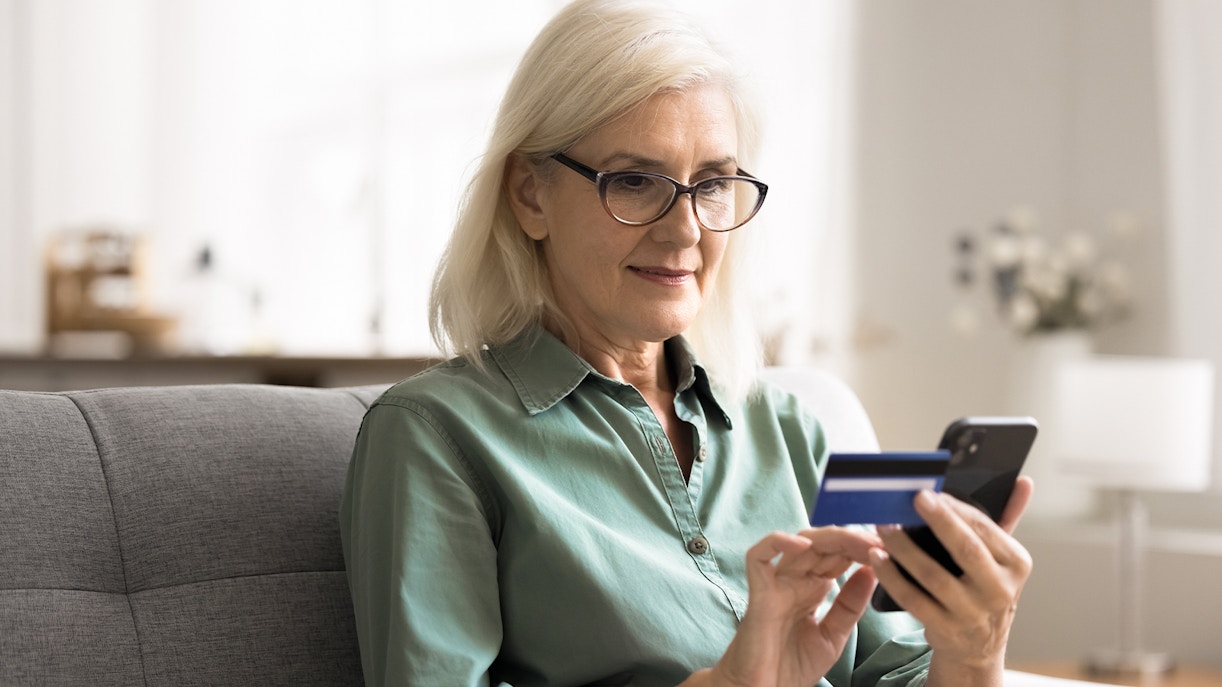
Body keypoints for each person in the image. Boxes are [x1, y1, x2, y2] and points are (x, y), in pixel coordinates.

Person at [339, 1, 1034, 685]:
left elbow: (899, 667)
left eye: (714, 184)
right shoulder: (434, 435)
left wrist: (971, 653)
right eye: (636, 182)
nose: (686, 230)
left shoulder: (794, 427)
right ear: (529, 194)